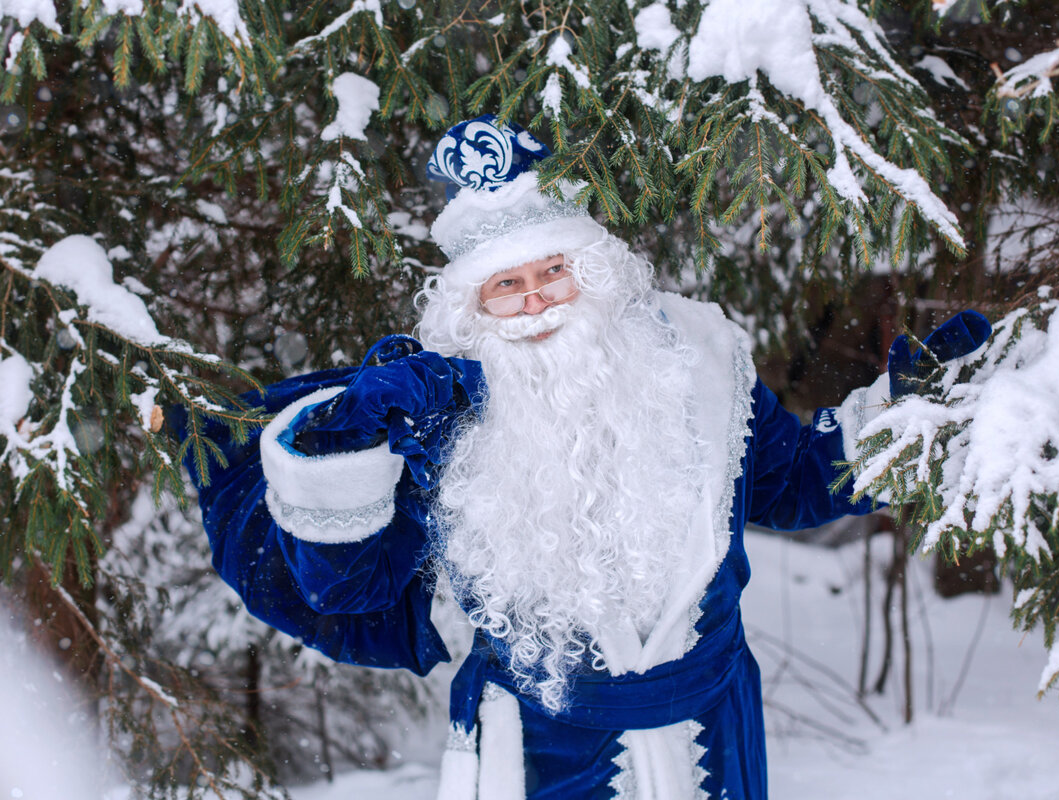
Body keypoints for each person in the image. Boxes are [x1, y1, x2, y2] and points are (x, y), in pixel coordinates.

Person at [183, 115, 990, 800]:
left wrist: (898, 411)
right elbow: (348, 589)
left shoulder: (702, 358)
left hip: (712, 737)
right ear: (471, 307)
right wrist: (355, 437)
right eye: (505, 286)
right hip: (533, 755)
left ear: (592, 272)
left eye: (553, 272)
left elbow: (795, 484)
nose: (534, 301)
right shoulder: (436, 420)